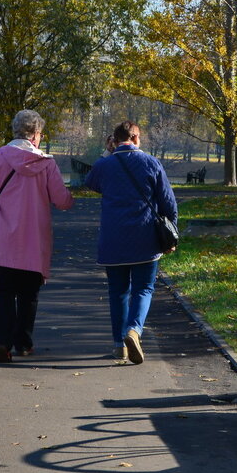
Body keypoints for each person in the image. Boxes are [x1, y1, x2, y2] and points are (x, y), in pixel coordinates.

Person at [0, 109, 74, 363]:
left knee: (3, 292)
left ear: (16, 131)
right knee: (29, 295)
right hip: (33, 239)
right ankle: (23, 343)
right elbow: (62, 201)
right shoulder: (46, 163)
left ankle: (1, 343)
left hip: (1, 239)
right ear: (36, 134)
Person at [85, 121, 178, 364]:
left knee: (117, 292)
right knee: (143, 289)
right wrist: (171, 234)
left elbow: (91, 183)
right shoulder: (152, 163)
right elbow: (168, 202)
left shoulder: (104, 165)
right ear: (136, 138)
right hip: (145, 239)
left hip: (113, 240)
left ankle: (119, 346)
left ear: (114, 140)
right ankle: (134, 330)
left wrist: (107, 152)